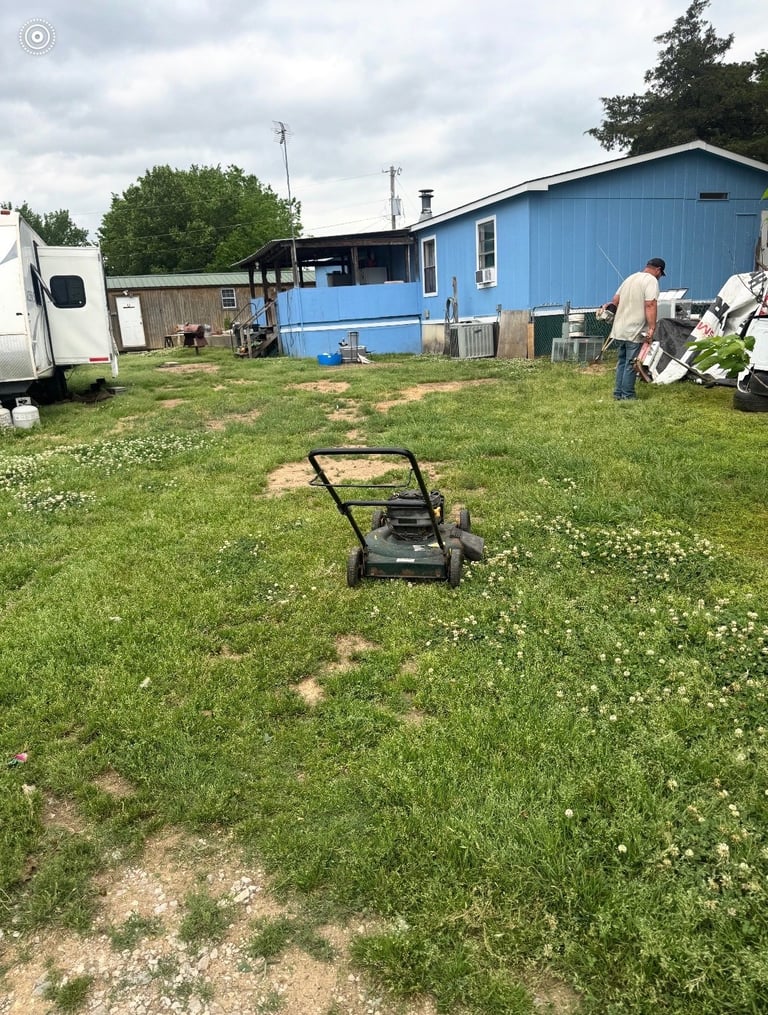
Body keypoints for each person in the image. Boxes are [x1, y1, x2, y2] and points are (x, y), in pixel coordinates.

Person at [602, 258, 666, 401]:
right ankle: (628, 395)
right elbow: (650, 304)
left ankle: (618, 394)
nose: (659, 277)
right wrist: (652, 327)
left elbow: (615, 300)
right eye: (661, 275)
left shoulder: (630, 278)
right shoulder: (651, 281)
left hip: (620, 329)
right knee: (632, 363)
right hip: (635, 329)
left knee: (622, 362)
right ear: (658, 270)